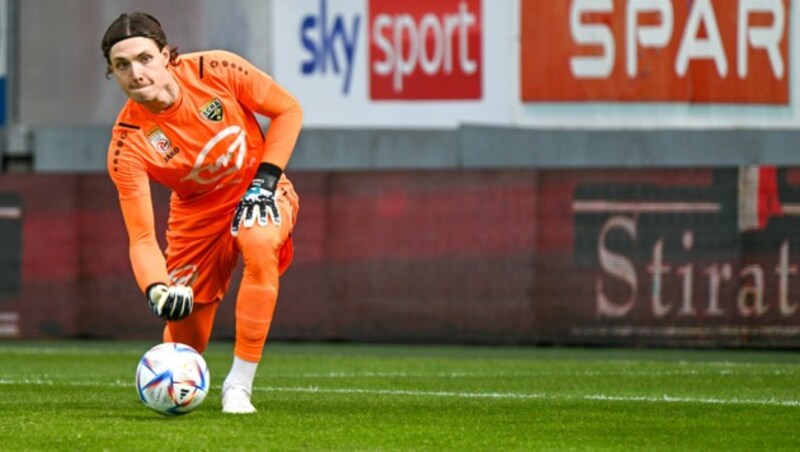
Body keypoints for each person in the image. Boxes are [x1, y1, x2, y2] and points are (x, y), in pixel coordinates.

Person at [101, 11, 302, 414]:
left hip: (259, 189)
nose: (136, 72)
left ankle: (238, 386)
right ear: (112, 73)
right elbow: (141, 239)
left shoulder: (217, 69)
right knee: (185, 339)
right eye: (122, 65)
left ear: (166, 55)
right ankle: (172, 380)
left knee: (259, 240)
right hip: (195, 219)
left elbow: (288, 110)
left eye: (144, 58)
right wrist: (157, 288)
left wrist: (264, 181)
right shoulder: (127, 145)